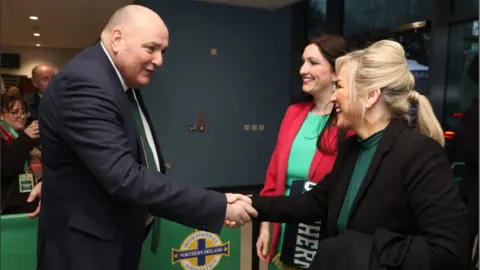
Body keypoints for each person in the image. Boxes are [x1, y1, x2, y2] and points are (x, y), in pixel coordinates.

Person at [37, 5, 256, 270]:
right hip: (86, 251)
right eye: (150, 48)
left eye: (162, 51)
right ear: (117, 39)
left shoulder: (117, 80)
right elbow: (124, 176)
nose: (159, 60)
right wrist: (216, 205)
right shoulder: (85, 83)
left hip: (111, 238)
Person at [228, 40, 471, 270]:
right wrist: (250, 203)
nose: (333, 97)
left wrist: (356, 248)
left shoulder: (418, 152)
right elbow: (313, 202)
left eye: (340, 87)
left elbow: (449, 252)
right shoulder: (352, 148)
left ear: (370, 96)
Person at [256, 34, 348, 269]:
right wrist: (266, 225)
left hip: (323, 239)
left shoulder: (348, 122)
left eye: (313, 62)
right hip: (284, 233)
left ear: (337, 72)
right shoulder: (294, 113)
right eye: (303, 61)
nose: (303, 69)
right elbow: (273, 177)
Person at [0, 94, 42, 215]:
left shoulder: (26, 136)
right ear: (1, 115)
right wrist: (25, 139)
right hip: (8, 210)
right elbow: (7, 170)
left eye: (24, 112)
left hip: (31, 206)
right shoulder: (21, 137)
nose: (21, 116)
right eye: (15, 112)